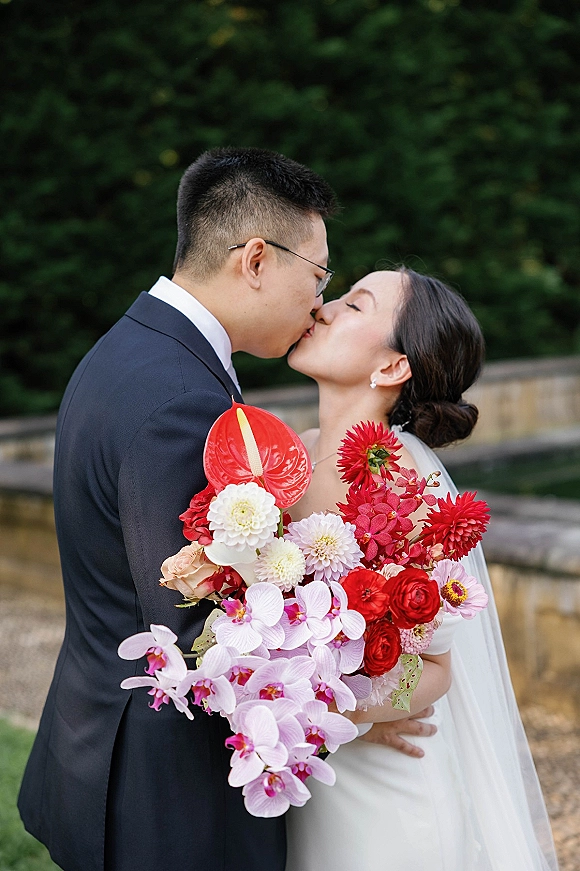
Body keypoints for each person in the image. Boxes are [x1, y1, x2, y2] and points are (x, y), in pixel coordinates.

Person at [18, 146, 344, 871]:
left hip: (100, 740)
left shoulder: (132, 346)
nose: (319, 301)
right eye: (318, 275)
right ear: (256, 259)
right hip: (162, 796)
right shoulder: (181, 403)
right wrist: (349, 707)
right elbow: (200, 634)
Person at [284, 268, 559, 870]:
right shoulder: (292, 455)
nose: (325, 308)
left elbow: (434, 670)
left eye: (356, 306)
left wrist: (346, 714)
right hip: (308, 769)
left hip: (387, 792)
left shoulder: (408, 488)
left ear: (391, 368)